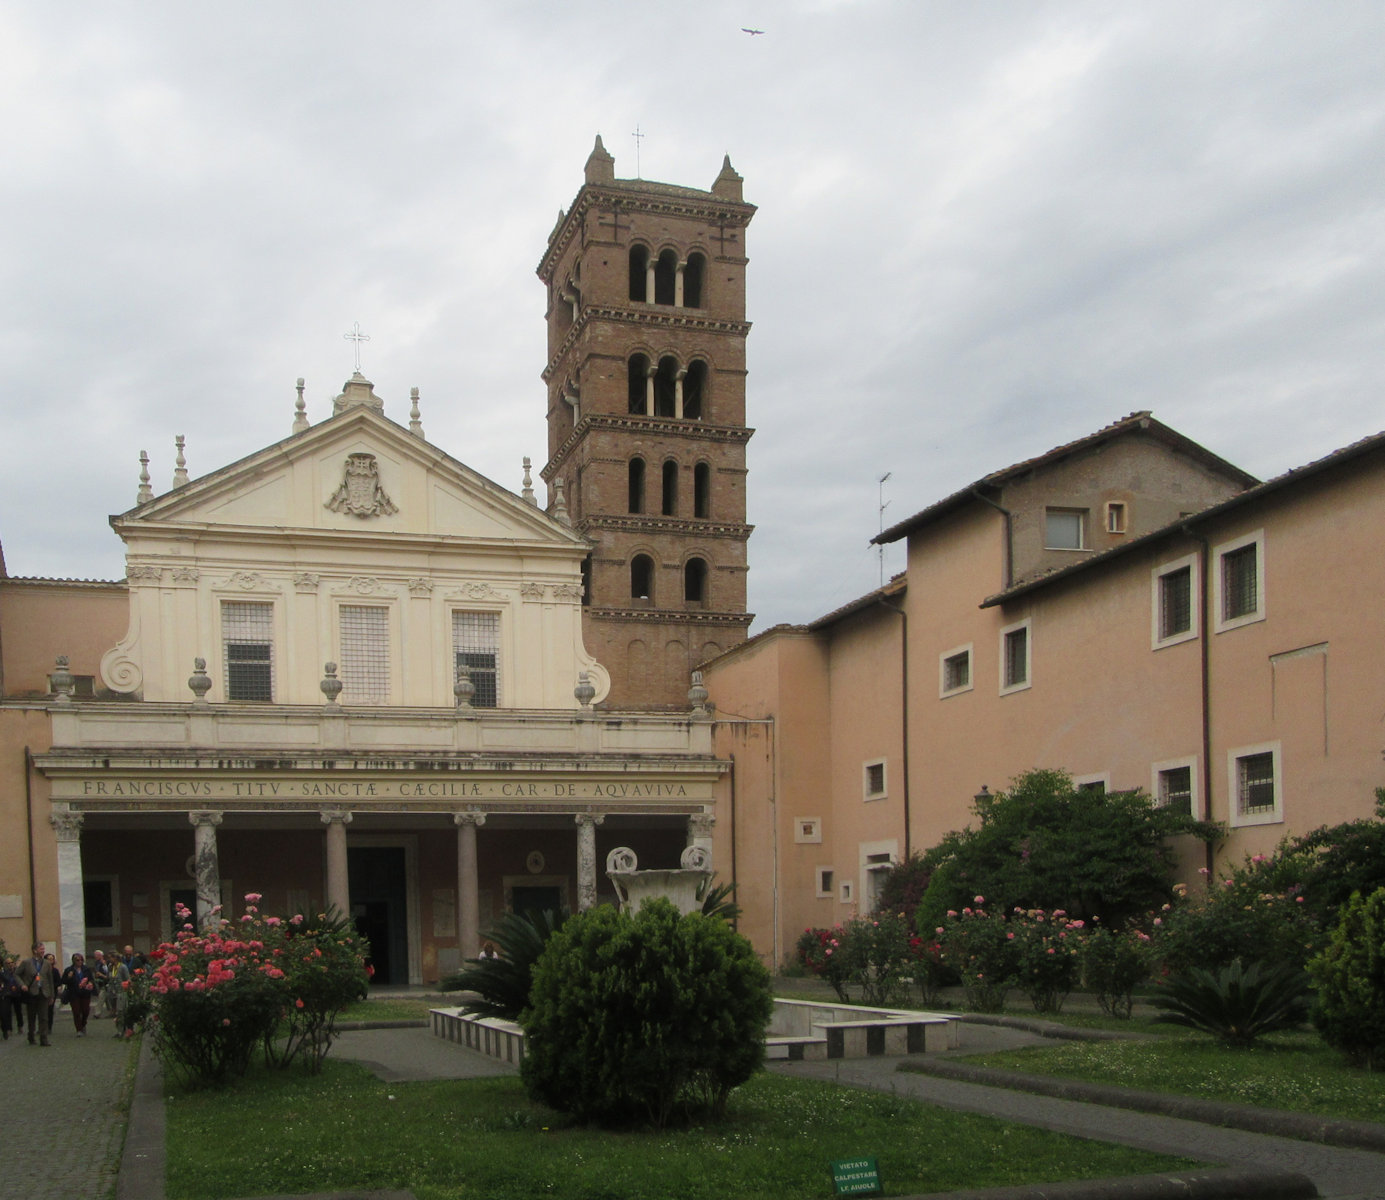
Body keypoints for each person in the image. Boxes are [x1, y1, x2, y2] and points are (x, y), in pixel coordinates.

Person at [15, 942, 55, 1046]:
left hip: (44, 992)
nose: (43, 951)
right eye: (41, 949)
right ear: (35, 950)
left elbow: (50, 980)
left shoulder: (46, 963)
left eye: (43, 949)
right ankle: (31, 1036)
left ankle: (43, 1038)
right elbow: (16, 975)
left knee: (44, 1017)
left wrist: (51, 995)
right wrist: (22, 985)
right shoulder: (26, 962)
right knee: (31, 1017)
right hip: (31, 993)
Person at [60, 953, 97, 1036]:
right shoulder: (69, 970)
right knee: (76, 1012)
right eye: (77, 960)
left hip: (85, 993)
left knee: (85, 1011)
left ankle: (83, 1024)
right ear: (74, 961)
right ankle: (79, 1029)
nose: (80, 962)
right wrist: (69, 977)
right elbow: (63, 981)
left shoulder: (86, 969)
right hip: (74, 993)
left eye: (81, 960)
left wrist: (90, 983)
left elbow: (91, 979)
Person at [0, 954, 24, 1040]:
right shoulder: (3, 973)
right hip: (8, 994)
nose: (10, 964)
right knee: (7, 1012)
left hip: (17, 993)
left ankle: (20, 1026)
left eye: (11, 962)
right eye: (8, 963)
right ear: (5, 964)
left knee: (18, 1011)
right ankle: (9, 1029)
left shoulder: (18, 971)